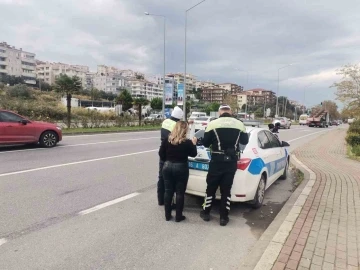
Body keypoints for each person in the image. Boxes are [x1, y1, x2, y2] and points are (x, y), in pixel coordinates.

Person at [200, 104, 249, 226]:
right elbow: (245, 141)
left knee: (211, 187)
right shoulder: (239, 124)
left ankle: (206, 213)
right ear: (230, 112)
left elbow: (205, 143)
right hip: (231, 161)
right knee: (226, 190)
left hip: (216, 160)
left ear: (219, 112)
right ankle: (223, 217)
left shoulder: (213, 124)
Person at [159, 121, 198, 221]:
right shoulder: (187, 142)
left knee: (168, 191)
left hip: (167, 167)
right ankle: (178, 216)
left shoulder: (167, 140)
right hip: (181, 167)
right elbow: (193, 154)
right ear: (185, 130)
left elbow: (161, 153)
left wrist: (167, 160)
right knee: (180, 192)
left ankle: (167, 215)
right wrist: (194, 144)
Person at [157, 106, 184, 206]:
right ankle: (170, 202)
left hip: (162, 150)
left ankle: (160, 200)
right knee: (170, 180)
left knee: (161, 177)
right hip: (171, 153)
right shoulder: (177, 125)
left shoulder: (165, 122)